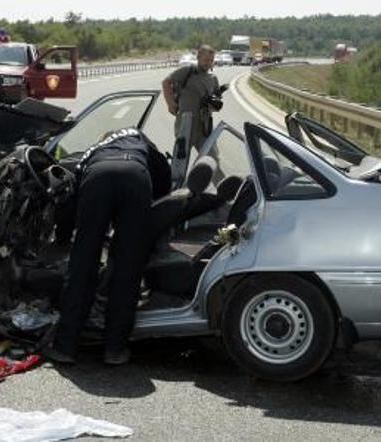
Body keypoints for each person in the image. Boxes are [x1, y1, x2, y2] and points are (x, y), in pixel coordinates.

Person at [47, 128, 171, 365]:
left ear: (103, 139)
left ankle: (65, 347)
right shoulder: (139, 137)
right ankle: (115, 349)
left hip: (98, 178)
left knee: (83, 262)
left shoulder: (92, 151)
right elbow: (163, 175)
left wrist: (62, 238)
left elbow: (71, 199)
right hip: (136, 176)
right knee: (128, 266)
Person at [162, 44, 221, 153]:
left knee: (212, 159)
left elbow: (216, 104)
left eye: (211, 60)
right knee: (179, 165)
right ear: (198, 57)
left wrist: (214, 105)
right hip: (185, 124)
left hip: (204, 127)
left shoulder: (213, 78)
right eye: (206, 60)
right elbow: (166, 82)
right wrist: (170, 103)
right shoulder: (187, 71)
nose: (209, 63)